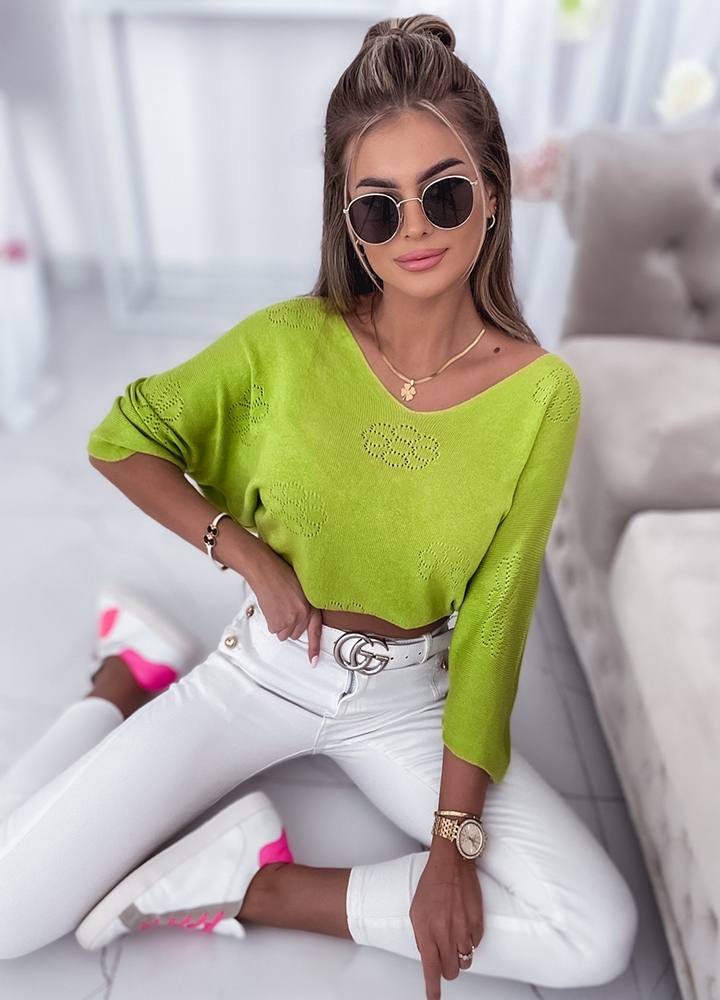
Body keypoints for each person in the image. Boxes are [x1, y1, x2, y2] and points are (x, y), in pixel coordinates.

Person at [0, 14, 638, 1000]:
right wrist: (244, 551)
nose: (414, 228)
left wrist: (452, 846)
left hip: (408, 704)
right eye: (379, 209)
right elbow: (121, 438)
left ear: (493, 192)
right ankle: (125, 677)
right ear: (349, 223)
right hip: (264, 667)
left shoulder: (541, 395)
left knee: (596, 935)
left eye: (444, 193)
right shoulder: (290, 344)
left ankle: (257, 885)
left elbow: (497, 622)